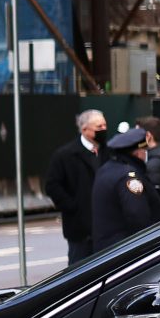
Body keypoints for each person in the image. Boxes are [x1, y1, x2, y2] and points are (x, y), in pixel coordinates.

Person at [43, 109, 105, 265]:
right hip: (80, 230)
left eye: (105, 125)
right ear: (85, 129)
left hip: (105, 229)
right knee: (80, 270)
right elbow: (52, 185)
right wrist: (73, 207)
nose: (104, 129)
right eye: (99, 127)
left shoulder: (108, 152)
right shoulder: (65, 155)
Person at [91, 124, 160, 253]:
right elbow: (138, 217)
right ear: (138, 152)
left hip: (108, 247)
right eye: (144, 150)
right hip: (124, 250)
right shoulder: (129, 177)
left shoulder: (107, 169)